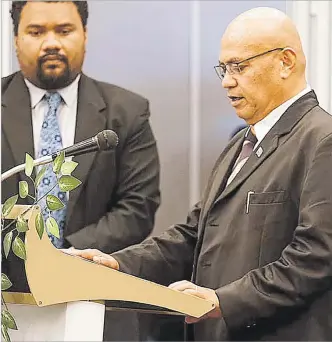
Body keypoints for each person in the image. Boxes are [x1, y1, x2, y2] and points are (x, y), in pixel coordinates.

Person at [67, 7, 332, 341]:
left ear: (286, 62)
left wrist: (223, 301)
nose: (227, 81)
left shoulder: (322, 139)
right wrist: (117, 264)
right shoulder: (240, 143)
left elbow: (316, 257)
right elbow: (194, 236)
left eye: (240, 66)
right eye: (224, 68)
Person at [1, 1, 160, 340]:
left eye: (64, 30)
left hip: (95, 301)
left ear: (85, 35)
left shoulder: (127, 113)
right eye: (36, 31)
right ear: (16, 39)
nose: (52, 42)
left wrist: (62, 256)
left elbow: (137, 209)